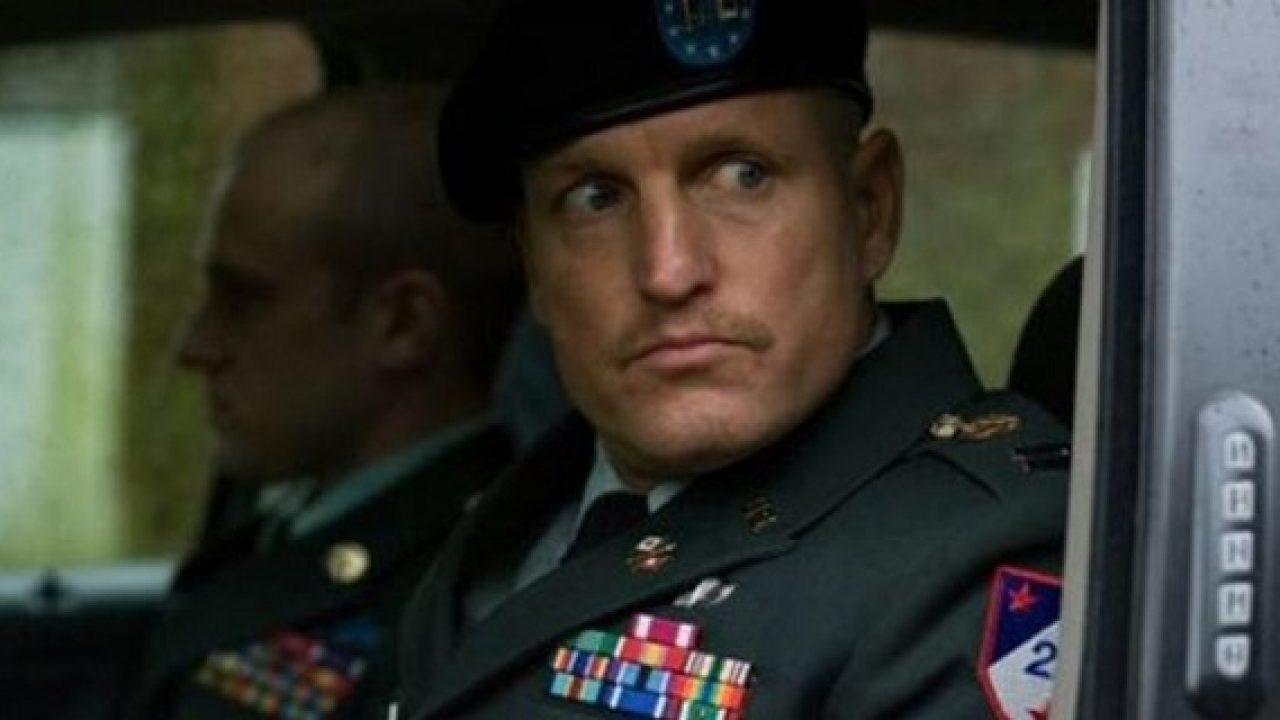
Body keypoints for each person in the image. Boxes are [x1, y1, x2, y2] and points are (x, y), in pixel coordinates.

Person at [395, 1, 1071, 719]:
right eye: (596, 199)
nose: (668, 271)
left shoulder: (977, 557)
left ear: (869, 208)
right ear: (534, 262)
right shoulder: (517, 511)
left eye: (742, 175)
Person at [127, 86, 522, 720]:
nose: (194, 346)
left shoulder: (458, 605)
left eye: (245, 300)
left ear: (403, 324)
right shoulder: (295, 526)